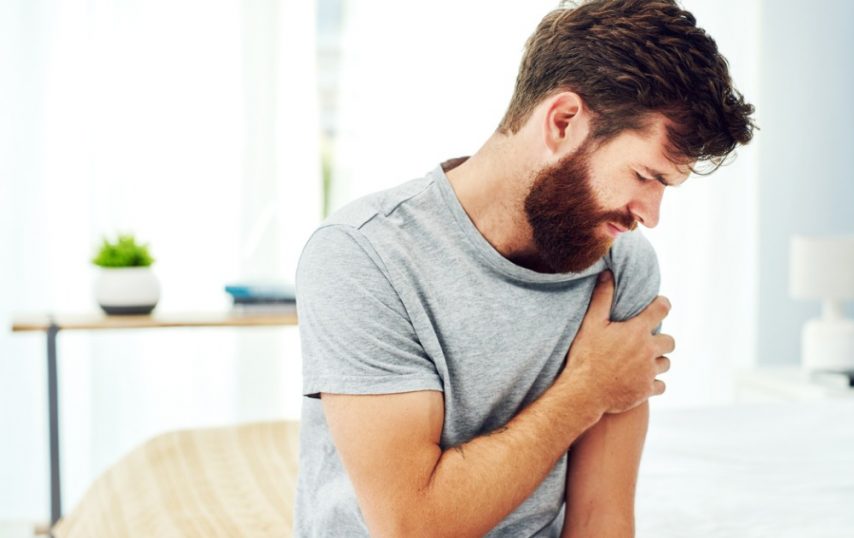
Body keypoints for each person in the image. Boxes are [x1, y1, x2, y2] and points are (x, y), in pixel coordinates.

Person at [293, 0, 755, 536]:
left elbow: (599, 517)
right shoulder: (362, 255)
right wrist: (588, 389)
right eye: (643, 176)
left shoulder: (622, 265)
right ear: (563, 122)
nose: (649, 215)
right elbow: (413, 525)